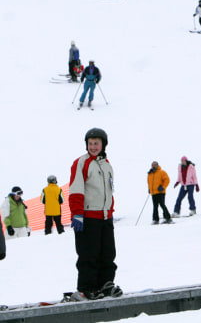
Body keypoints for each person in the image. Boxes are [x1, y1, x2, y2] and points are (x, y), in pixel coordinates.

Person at [69, 128, 122, 300]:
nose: (93, 147)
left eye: (96, 143)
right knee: (89, 254)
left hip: (105, 217)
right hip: (88, 218)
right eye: (90, 144)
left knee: (107, 254)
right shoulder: (82, 163)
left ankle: (105, 284)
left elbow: (109, 191)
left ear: (103, 144)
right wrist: (77, 213)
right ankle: (87, 287)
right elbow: (76, 189)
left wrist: (110, 211)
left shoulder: (106, 165)